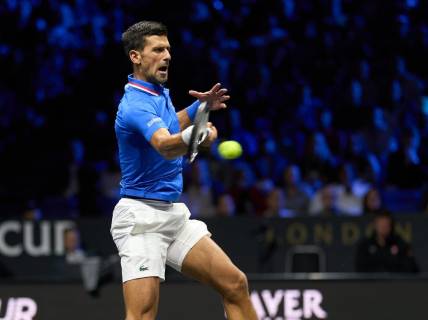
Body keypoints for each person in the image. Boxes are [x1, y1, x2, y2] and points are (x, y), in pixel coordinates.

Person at [110, 21, 257, 320]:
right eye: (158, 50)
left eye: (168, 50)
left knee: (235, 284)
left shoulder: (156, 92)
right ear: (136, 56)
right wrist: (198, 135)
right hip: (139, 218)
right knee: (142, 313)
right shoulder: (134, 105)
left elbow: (169, 124)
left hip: (172, 215)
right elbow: (164, 143)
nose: (167, 56)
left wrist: (197, 111)